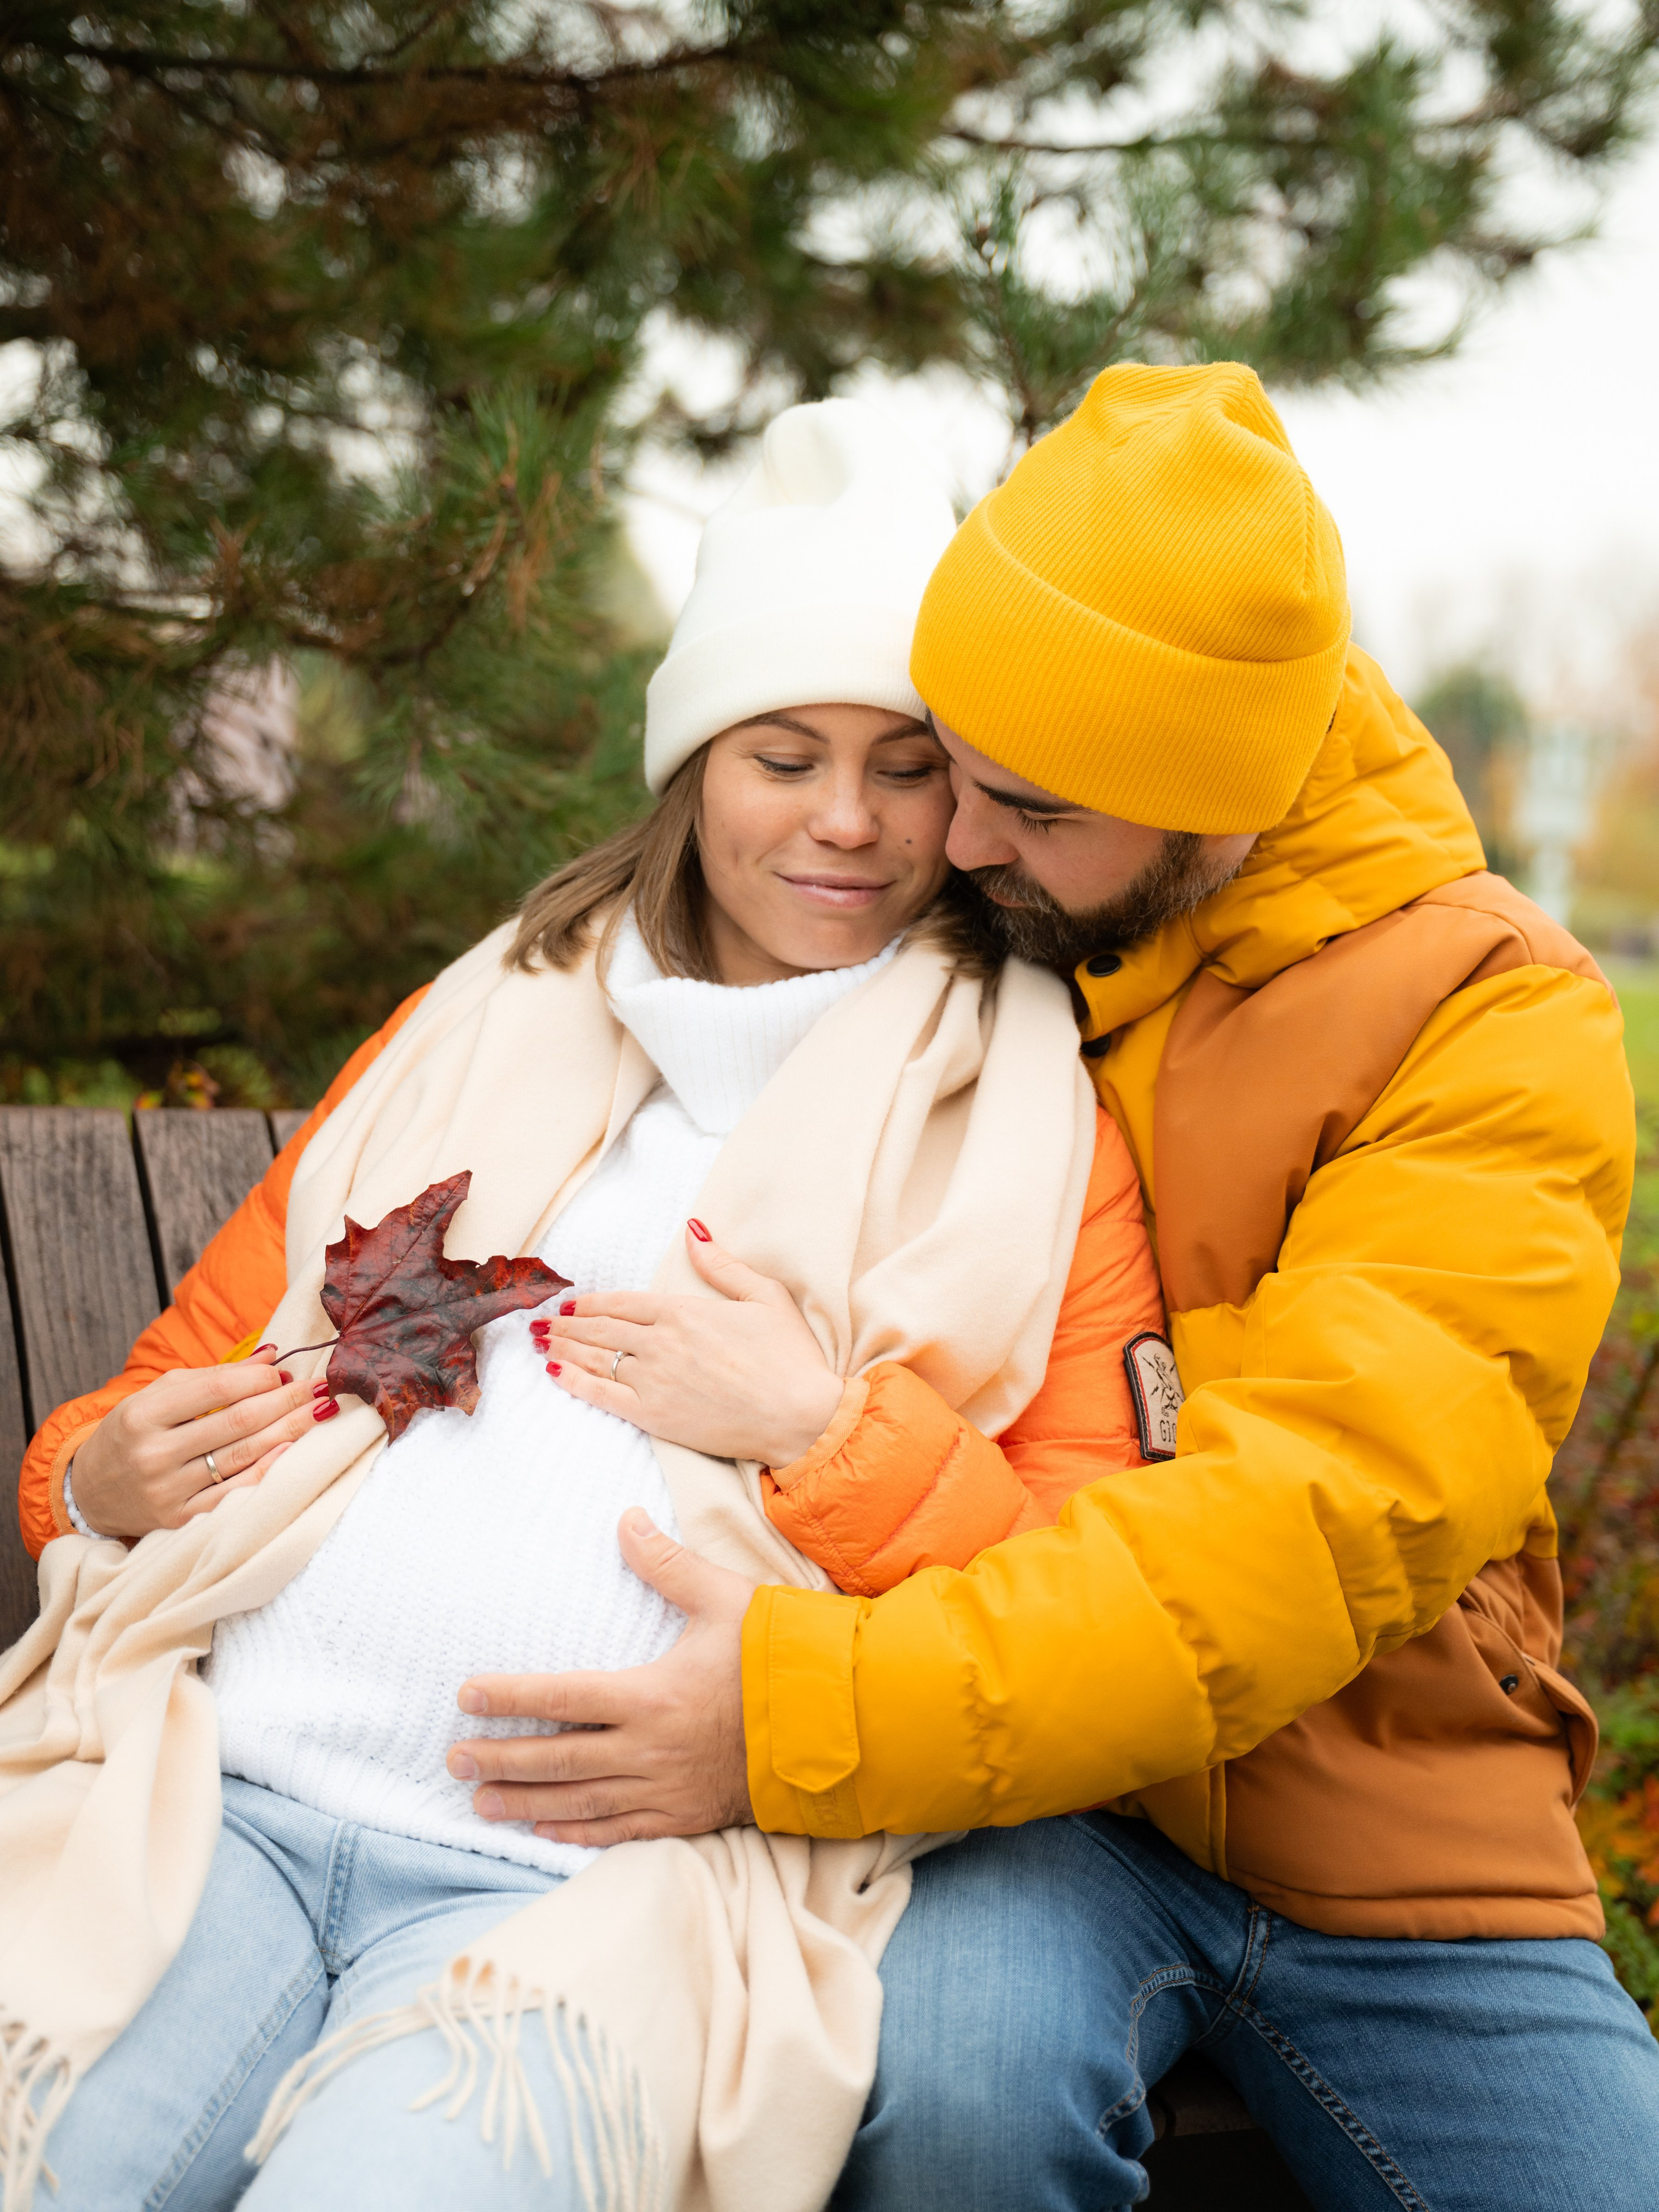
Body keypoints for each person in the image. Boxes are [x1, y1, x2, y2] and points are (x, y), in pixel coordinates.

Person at [450, 365, 1659, 2212]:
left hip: (1401, 1832)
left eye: (1033, 806)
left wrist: (792, 1721)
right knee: (949, 2107)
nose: (964, 845)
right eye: (964, 775)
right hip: (1040, 1819)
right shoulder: (982, 945)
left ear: (1210, 803)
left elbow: (1298, 1535)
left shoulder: (1488, 1024)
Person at [2, 400, 1168, 2212]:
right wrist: (97, 1476)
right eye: (783, 755)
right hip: (215, 1808)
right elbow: (152, 1409)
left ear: (973, 797)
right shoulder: (487, 1013)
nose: (846, 822)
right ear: (694, 771)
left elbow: (1091, 1593)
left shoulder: (1030, 1121)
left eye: (907, 766)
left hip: (585, 1907)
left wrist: (824, 1435)